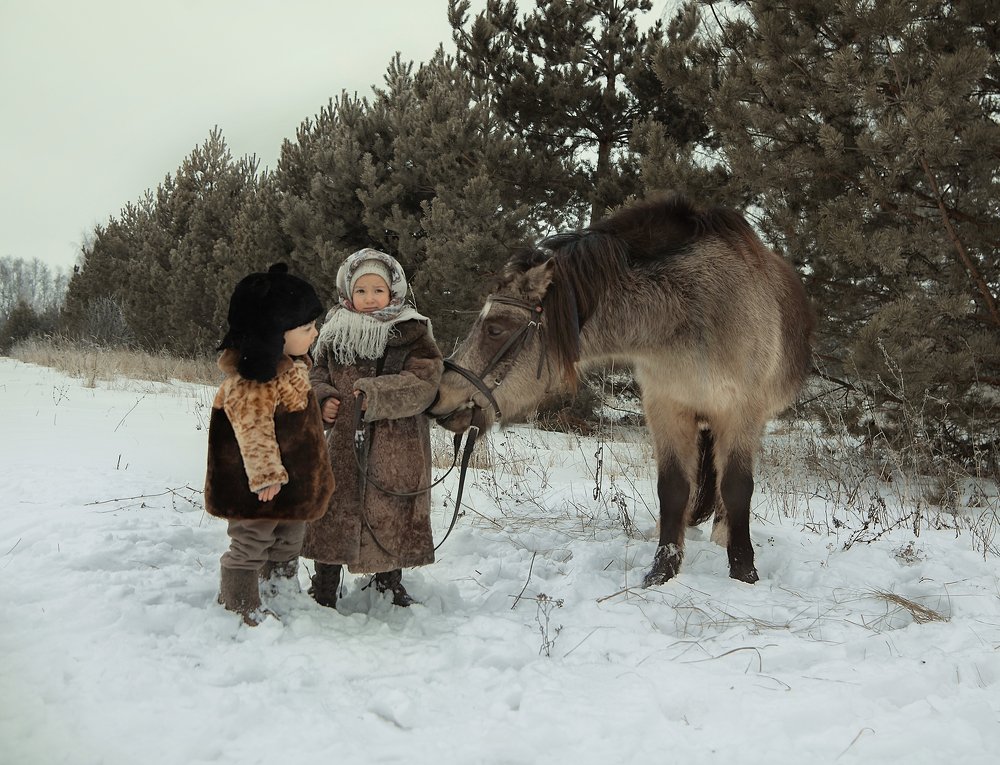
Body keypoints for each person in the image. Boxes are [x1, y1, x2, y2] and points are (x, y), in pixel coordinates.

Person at [303, 248, 443, 608]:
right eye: (361, 290)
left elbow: (425, 382)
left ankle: (388, 580)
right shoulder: (334, 330)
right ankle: (325, 582)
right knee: (334, 508)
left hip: (398, 445)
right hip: (344, 442)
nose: (368, 298)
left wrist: (378, 393)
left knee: (390, 510)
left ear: (393, 290)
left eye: (377, 290)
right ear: (348, 291)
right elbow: (316, 374)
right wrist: (323, 399)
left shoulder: (412, 331)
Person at [204, 263, 335, 625]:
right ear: (274, 332)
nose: (315, 333)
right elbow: (253, 430)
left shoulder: (293, 368)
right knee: (251, 543)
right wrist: (265, 476)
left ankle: (280, 591)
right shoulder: (252, 382)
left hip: (289, 483)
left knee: (288, 539)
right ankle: (240, 603)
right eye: (306, 328)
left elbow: (294, 425)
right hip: (257, 486)